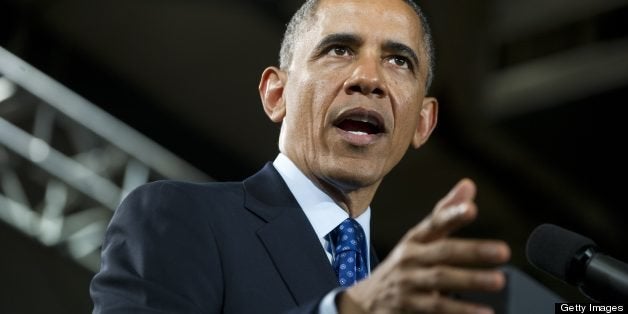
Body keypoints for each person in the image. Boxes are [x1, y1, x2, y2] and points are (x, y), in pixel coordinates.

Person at [90, 0, 511, 313]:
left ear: (423, 122)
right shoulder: (179, 218)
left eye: (398, 60)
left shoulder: (407, 296)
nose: (369, 79)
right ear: (276, 95)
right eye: (340, 50)